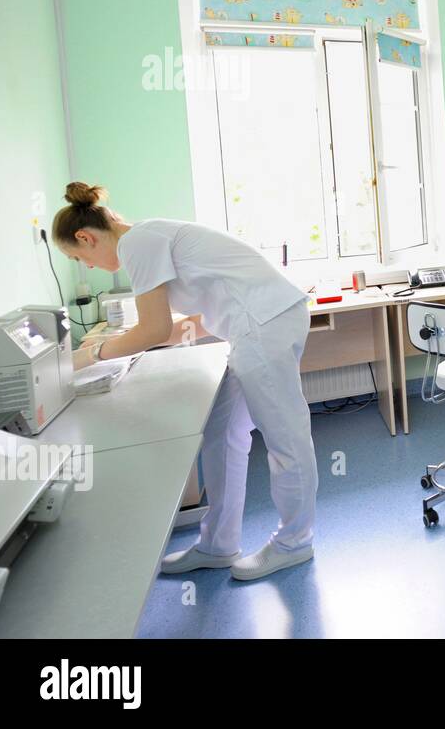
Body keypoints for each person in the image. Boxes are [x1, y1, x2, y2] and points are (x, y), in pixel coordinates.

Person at [54, 182, 318, 581]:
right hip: (254, 325)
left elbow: (154, 328)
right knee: (223, 434)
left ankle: (294, 543)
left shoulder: (138, 243)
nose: (87, 267)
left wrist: (88, 356)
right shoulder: (148, 238)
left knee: (286, 438)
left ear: (85, 237)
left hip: (264, 325)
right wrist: (114, 346)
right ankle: (218, 545)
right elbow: (192, 323)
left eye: (79, 257)